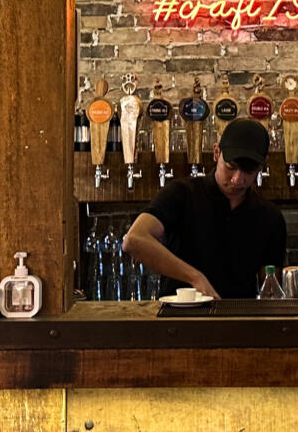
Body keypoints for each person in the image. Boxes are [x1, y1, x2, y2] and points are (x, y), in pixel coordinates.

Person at [122, 117, 286, 299]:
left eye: (249, 171)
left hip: (240, 321)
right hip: (180, 320)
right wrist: (195, 278)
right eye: (231, 167)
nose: (238, 180)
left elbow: (270, 291)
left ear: (264, 164)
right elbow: (134, 240)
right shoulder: (182, 194)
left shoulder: (270, 217)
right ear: (216, 153)